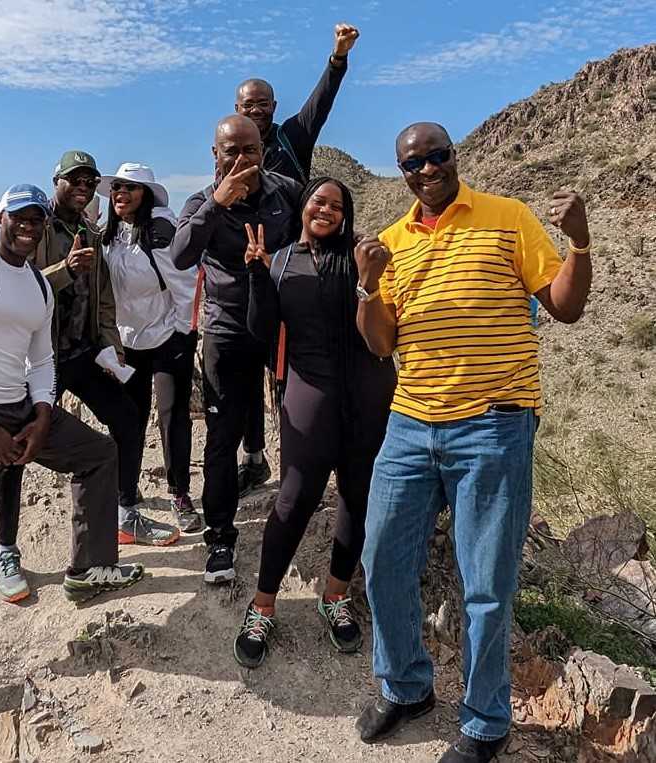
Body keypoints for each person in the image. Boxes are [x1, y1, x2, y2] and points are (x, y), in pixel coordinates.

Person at [354, 123, 593, 763]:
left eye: (437, 156)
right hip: (409, 424)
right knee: (381, 561)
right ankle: (406, 687)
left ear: (455, 157)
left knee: (485, 584)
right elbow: (381, 343)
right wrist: (368, 284)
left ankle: (487, 722)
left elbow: (565, 308)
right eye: (413, 162)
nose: (426, 169)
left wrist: (580, 244)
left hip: (493, 423)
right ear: (401, 171)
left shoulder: (507, 217)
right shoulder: (395, 241)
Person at [0, 184, 145, 722]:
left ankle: (89, 568)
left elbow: (41, 360)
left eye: (36, 218)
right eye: (19, 216)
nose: (28, 225)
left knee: (98, 453)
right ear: (0, 216)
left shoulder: (38, 288)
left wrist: (43, 416)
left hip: (20, 409)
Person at [0, 152, 179, 604]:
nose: (84, 185)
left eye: (90, 179)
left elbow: (106, 297)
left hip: (82, 353)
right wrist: (64, 270)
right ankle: (6, 549)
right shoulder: (34, 226)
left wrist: (109, 342)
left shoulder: (91, 233)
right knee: (19, 447)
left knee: (129, 418)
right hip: (40, 361)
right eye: (74, 178)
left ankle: (125, 510)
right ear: (56, 181)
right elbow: (18, 283)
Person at [232, 177, 396, 668]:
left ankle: (335, 595)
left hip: (369, 392)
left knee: (357, 496)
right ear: (304, 208)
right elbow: (260, 331)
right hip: (309, 393)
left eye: (336, 204)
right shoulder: (281, 261)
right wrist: (257, 276)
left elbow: (387, 324)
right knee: (294, 498)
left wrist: (371, 276)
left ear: (347, 213)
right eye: (317, 202)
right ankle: (262, 604)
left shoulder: (364, 253)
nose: (325, 210)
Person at [172, 115, 301, 584]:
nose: (243, 159)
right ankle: (221, 537)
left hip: (280, 325)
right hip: (226, 331)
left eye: (251, 150)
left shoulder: (285, 192)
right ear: (215, 155)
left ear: (263, 150)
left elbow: (319, 234)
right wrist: (216, 203)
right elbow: (181, 255)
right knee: (222, 437)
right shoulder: (199, 201)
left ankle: (293, 520)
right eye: (232, 151)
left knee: (297, 422)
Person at [233, 22, 360, 496]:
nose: (257, 111)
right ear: (237, 110)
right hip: (247, 271)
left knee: (289, 365)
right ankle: (255, 455)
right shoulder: (233, 150)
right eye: (249, 105)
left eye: (263, 104)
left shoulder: (292, 138)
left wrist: (337, 59)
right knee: (251, 362)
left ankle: (304, 458)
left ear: (273, 108)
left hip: (293, 270)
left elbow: (320, 105)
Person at [97, 163, 202, 533]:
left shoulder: (159, 233)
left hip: (167, 337)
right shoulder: (110, 237)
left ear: (146, 195)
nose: (120, 194)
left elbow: (186, 286)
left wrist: (180, 334)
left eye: (130, 188)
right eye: (116, 188)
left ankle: (180, 493)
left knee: (173, 415)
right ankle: (125, 494)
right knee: (130, 419)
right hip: (127, 342)